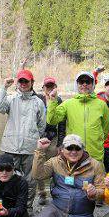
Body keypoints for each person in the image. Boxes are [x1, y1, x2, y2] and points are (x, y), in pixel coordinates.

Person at [32, 134, 105, 217]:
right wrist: (40, 151)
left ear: (82, 149)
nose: (73, 152)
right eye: (69, 148)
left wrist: (95, 193)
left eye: (77, 148)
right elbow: (38, 175)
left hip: (80, 214)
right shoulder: (55, 161)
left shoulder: (95, 165)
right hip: (58, 208)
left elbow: (103, 190)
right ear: (62, 149)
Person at [0, 69, 46, 213]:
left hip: (30, 149)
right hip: (10, 148)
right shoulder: (11, 99)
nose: (23, 84)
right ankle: (8, 207)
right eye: (21, 81)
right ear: (17, 83)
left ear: (32, 83)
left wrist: (32, 137)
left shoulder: (38, 102)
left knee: (31, 180)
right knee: (8, 178)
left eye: (26, 81)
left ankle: (27, 207)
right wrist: (4, 88)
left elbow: (42, 125)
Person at [46, 71, 109, 162]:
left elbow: (105, 130)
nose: (84, 84)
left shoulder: (102, 105)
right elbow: (52, 120)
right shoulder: (68, 103)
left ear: (93, 85)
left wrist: (96, 142)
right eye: (81, 82)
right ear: (77, 84)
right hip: (73, 154)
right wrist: (52, 101)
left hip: (95, 156)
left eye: (88, 82)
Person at [35, 77, 66, 206]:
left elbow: (63, 124)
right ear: (43, 88)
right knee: (38, 165)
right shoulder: (37, 100)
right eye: (47, 86)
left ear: (56, 87)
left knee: (57, 167)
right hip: (39, 138)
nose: (49, 89)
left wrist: (60, 143)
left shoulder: (59, 101)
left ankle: (56, 193)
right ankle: (42, 193)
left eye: (52, 86)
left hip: (53, 139)